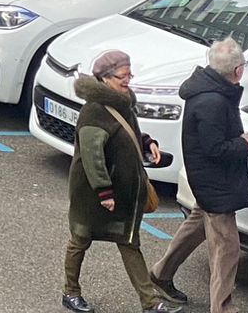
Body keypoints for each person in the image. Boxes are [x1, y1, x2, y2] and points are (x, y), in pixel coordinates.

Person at [63, 50, 180, 313]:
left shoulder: (122, 102)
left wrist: (147, 142)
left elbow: (127, 135)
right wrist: (104, 192)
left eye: (129, 74)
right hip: (92, 195)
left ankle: (150, 303)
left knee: (129, 241)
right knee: (80, 240)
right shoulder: (94, 112)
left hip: (122, 193)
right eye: (122, 76)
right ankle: (70, 292)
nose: (128, 80)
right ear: (105, 78)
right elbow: (93, 157)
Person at [145, 39, 248, 313]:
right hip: (216, 184)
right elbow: (214, 148)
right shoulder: (213, 101)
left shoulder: (208, 91)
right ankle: (223, 307)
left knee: (195, 227)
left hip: (206, 181)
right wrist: (244, 144)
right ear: (238, 70)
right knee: (227, 248)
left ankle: (161, 274)